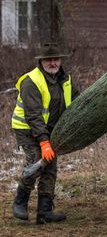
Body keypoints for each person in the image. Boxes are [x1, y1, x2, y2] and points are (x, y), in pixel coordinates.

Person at [11, 43, 79, 224]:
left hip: (51, 131)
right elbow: (33, 115)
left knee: (50, 168)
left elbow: (77, 101)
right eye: (49, 60)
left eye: (56, 59)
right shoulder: (30, 82)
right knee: (35, 163)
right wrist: (43, 142)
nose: (53, 63)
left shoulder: (65, 79)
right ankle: (20, 202)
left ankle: (45, 211)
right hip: (27, 130)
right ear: (41, 61)